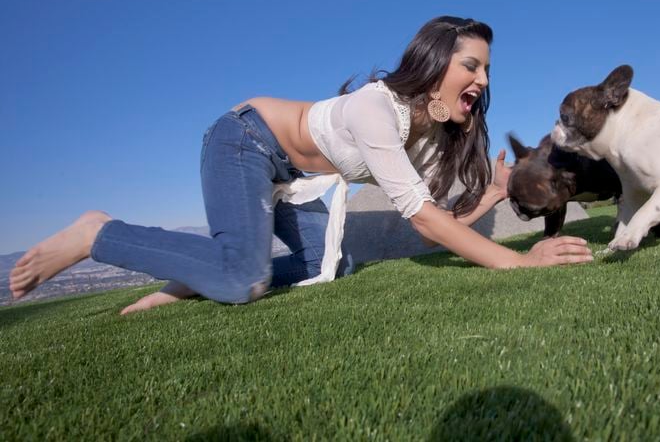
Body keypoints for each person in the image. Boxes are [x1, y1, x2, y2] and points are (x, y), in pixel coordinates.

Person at [8, 16, 593, 314]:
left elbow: (441, 221)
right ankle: (97, 233)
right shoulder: (377, 108)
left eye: (488, 70)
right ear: (437, 61)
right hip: (244, 141)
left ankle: (188, 285)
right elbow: (421, 220)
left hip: (294, 178)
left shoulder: (434, 137)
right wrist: (521, 266)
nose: (483, 81)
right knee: (246, 277)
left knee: (330, 268)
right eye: (472, 65)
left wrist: (488, 198)